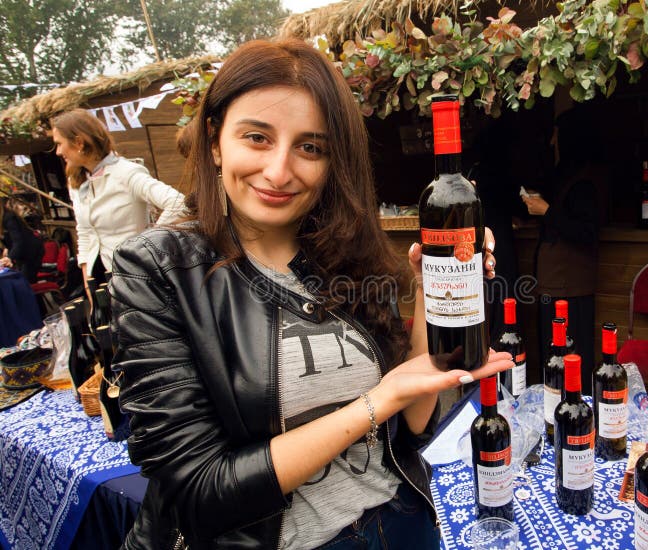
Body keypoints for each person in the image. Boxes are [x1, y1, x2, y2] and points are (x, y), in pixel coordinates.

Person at [109, 39, 511, 550]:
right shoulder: (159, 268)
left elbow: (410, 429)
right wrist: (375, 402)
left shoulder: (350, 254)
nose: (279, 171)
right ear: (215, 141)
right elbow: (199, 492)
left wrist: (434, 296)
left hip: (402, 522)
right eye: (257, 137)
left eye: (310, 147)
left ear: (332, 161)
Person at [50, 109, 185, 291]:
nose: (58, 152)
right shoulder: (76, 182)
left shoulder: (125, 173)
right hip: (98, 277)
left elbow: (178, 203)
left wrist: (147, 243)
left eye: (59, 144)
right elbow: (84, 232)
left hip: (135, 276)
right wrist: (88, 280)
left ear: (79, 142)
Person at [522, 104, 602, 391]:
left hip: (571, 290)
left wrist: (547, 211)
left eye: (557, 134)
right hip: (555, 285)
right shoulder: (567, 173)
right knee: (553, 360)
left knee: (570, 361)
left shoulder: (585, 181)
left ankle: (575, 418)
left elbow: (586, 231)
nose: (553, 141)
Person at [0, 196, 45, 283]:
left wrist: (10, 257)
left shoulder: (9, 217)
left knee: (24, 281)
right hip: (22, 253)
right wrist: (7, 250)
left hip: (32, 251)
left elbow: (18, 241)